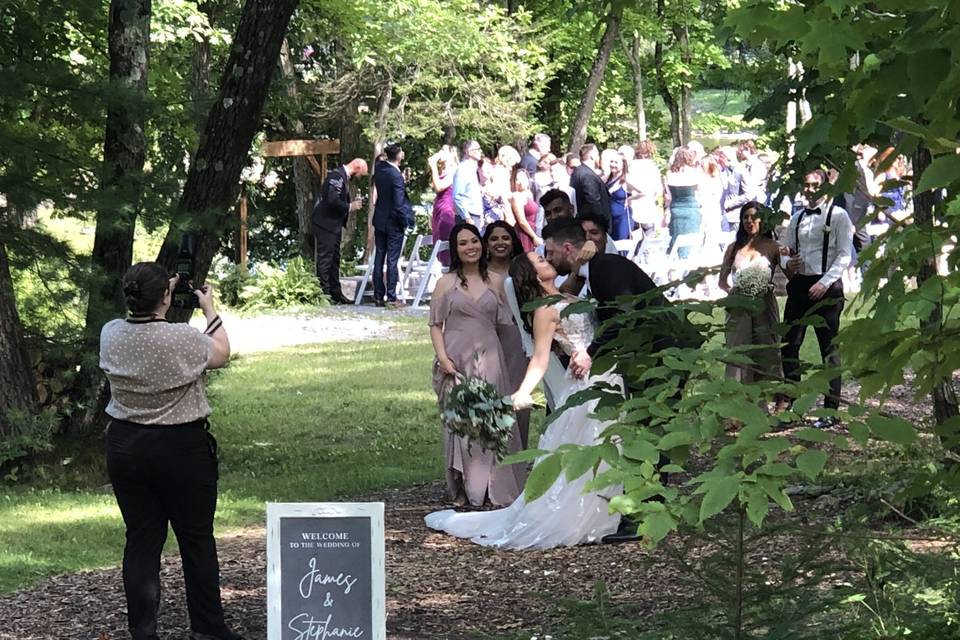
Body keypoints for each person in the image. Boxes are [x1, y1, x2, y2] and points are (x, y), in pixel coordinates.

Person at [424, 249, 623, 549]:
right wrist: (524, 391)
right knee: (590, 445)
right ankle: (585, 515)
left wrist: (581, 259)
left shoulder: (570, 297)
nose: (547, 261)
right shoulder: (545, 310)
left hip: (608, 375)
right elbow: (541, 357)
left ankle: (614, 509)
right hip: (586, 381)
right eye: (540, 261)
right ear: (530, 275)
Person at [100, 263, 240, 640]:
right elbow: (222, 352)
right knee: (196, 539)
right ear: (166, 296)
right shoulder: (183, 337)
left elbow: (143, 321)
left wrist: (161, 290)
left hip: (126, 446)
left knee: (142, 539)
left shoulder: (110, 334)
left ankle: (143, 631)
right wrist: (208, 308)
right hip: (181, 448)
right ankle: (208, 628)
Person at [429, 223, 527, 507]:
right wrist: (444, 358)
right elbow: (435, 325)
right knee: (462, 421)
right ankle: (466, 486)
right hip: (456, 355)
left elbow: (510, 323)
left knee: (491, 419)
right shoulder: (445, 283)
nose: (470, 247)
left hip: (490, 355)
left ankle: (493, 486)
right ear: (456, 249)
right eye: (463, 243)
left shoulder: (497, 281)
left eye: (474, 241)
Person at [781, 169, 854, 427]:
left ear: (825, 186)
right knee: (789, 345)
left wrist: (824, 283)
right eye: (806, 185)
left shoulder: (839, 215)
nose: (810, 189)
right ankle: (791, 405)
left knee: (829, 348)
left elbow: (845, 254)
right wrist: (788, 263)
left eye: (815, 185)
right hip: (800, 285)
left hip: (828, 286)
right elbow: (784, 249)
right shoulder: (798, 216)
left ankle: (830, 411)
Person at [718, 202, 789, 406]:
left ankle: (777, 399)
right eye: (745, 217)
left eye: (754, 217)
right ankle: (737, 404)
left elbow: (789, 273)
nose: (749, 221)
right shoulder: (734, 248)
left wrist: (791, 262)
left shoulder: (772, 246)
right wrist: (734, 293)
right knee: (738, 352)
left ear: (763, 220)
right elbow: (722, 280)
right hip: (739, 305)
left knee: (768, 350)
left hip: (764, 302)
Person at [483, 220, 531, 448]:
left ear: (513, 242)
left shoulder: (523, 269)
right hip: (487, 339)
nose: (500, 243)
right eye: (494, 238)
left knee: (518, 394)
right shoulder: (478, 273)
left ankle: (518, 451)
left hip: (517, 339)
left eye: (505, 238)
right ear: (487, 244)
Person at [312, 158, 368, 304]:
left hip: (333, 225)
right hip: (326, 224)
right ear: (356, 167)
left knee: (334, 259)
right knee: (325, 259)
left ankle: (336, 293)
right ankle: (323, 294)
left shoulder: (343, 178)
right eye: (361, 174)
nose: (360, 177)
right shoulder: (336, 176)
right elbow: (332, 200)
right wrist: (350, 206)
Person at [372, 143, 414, 308]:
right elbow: (398, 203)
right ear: (398, 155)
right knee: (392, 259)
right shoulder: (395, 175)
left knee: (379, 257)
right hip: (393, 222)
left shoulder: (380, 169)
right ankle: (391, 296)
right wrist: (406, 220)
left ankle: (377, 296)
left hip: (380, 218)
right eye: (402, 151)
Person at [664, 146, 703, 258]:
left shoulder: (669, 174)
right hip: (691, 210)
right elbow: (700, 191)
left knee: (676, 240)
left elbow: (669, 197)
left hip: (676, 210)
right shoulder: (695, 173)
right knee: (691, 243)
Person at [625, 140, 664, 238]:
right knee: (648, 238)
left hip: (633, 206)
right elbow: (658, 190)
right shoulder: (653, 167)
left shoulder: (631, 166)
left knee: (634, 239)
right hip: (648, 206)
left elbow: (627, 187)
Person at [569, 143, 611, 227]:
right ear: (592, 156)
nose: (598, 158)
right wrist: (601, 222)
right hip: (593, 223)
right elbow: (593, 201)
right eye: (597, 155)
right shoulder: (588, 175)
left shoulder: (578, 171)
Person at [429, 146, 458, 267]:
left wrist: (433, 165)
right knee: (437, 242)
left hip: (447, 210)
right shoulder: (443, 171)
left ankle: (448, 270)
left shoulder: (454, 170)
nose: (440, 153)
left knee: (445, 243)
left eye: (443, 151)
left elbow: (439, 187)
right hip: (438, 210)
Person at [723, 140, 768, 217]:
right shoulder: (747, 164)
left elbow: (751, 191)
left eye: (740, 151)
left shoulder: (757, 165)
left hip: (757, 204)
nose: (738, 154)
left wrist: (730, 203)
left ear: (748, 150)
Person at [508, 165, 542, 252]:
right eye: (517, 179)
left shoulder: (530, 193)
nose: (520, 182)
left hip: (535, 229)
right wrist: (534, 236)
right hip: (525, 232)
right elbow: (522, 221)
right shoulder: (516, 196)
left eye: (523, 178)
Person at [453, 139, 485, 227]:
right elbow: (457, 195)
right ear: (469, 152)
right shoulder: (463, 169)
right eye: (478, 149)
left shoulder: (472, 169)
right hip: (468, 217)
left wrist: (480, 215)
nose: (480, 151)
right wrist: (467, 218)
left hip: (475, 216)